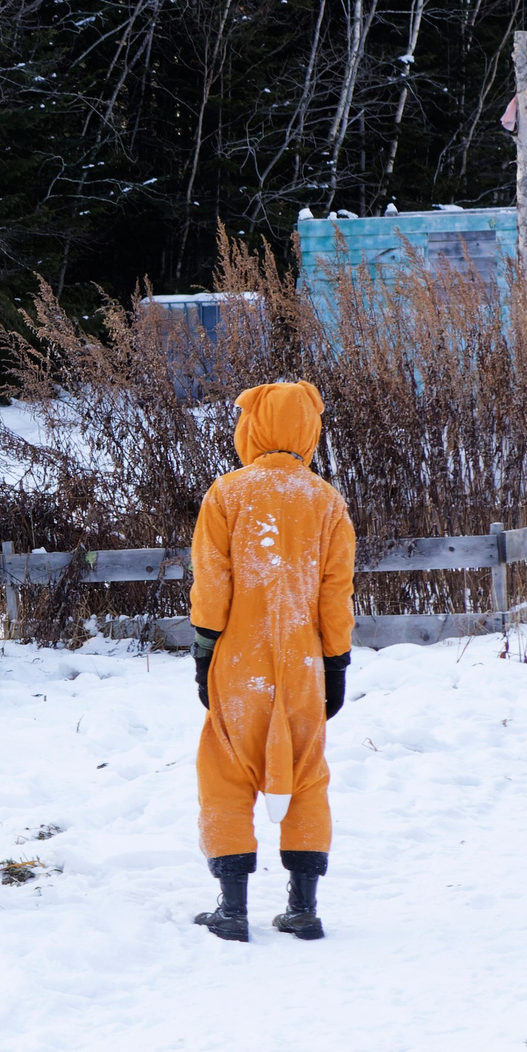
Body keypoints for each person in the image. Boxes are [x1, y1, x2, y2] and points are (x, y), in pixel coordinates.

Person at [188, 380, 356, 942]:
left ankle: (232, 910)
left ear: (252, 427)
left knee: (226, 774)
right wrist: (336, 663)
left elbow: (212, 584)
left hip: (240, 664)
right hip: (305, 664)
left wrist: (203, 652)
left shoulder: (227, 494)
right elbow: (336, 593)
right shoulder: (327, 501)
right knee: (307, 776)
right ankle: (303, 909)